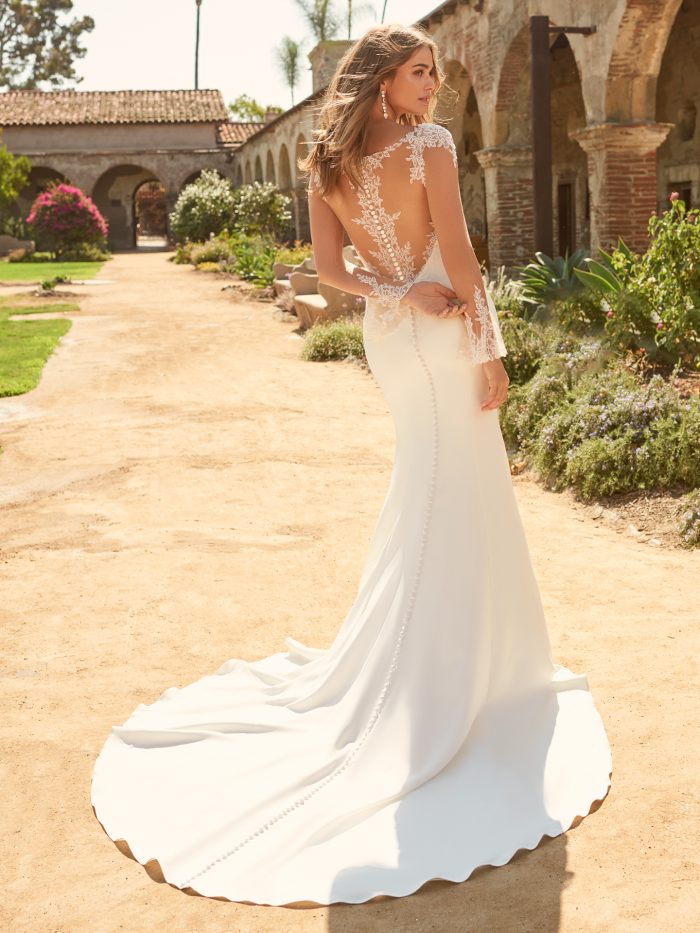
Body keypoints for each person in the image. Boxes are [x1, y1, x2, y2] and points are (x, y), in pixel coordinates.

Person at [91, 23, 612, 907]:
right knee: (459, 489)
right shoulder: (431, 148)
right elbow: (461, 254)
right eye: (420, 72)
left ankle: (432, 667)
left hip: (391, 333)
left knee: (429, 486)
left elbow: (332, 271)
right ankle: (457, 679)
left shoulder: (327, 161)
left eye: (437, 72)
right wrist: (488, 349)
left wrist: (395, 291)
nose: (434, 86)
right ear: (381, 81)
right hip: (443, 334)